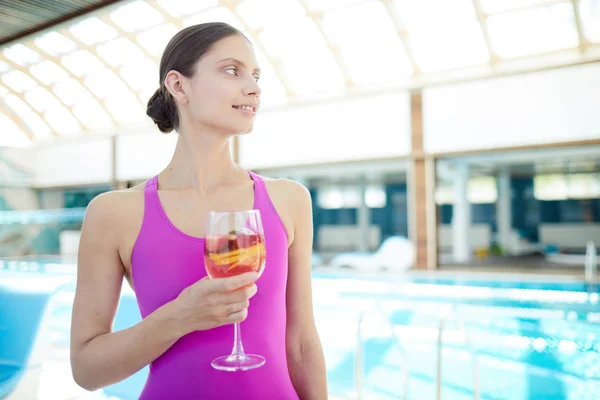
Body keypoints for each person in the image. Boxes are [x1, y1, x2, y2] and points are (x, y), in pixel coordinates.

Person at [70, 22, 327, 399]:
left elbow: (302, 343)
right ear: (178, 86)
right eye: (231, 70)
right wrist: (180, 317)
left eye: (255, 76)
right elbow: (87, 370)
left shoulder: (289, 200)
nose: (253, 88)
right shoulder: (114, 213)